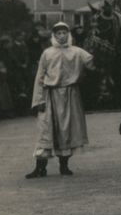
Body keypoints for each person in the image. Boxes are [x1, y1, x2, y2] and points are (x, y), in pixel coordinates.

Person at [25, 22, 95, 179]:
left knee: (67, 131)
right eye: (58, 33)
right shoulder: (47, 53)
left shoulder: (77, 52)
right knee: (46, 130)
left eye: (64, 33)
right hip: (50, 95)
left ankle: (64, 166)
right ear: (54, 36)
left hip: (71, 96)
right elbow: (40, 76)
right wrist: (38, 100)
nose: (62, 36)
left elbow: (93, 63)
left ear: (68, 35)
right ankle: (40, 168)